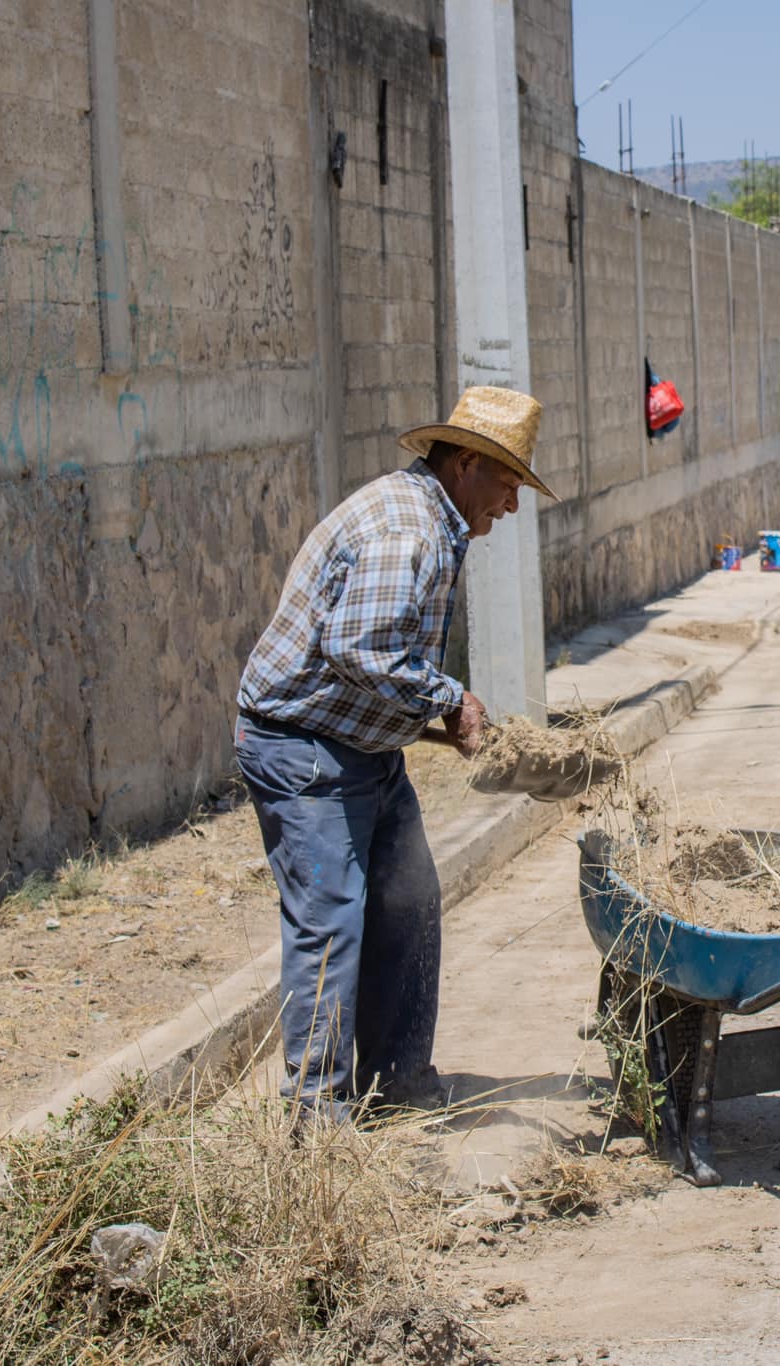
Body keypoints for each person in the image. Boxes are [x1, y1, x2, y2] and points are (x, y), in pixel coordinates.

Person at [236, 385, 553, 1126]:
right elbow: (359, 647)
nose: (510, 506)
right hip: (304, 751)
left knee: (409, 904)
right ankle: (315, 1117)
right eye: (507, 484)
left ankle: (395, 1083)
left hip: (362, 749)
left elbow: (374, 657)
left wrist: (430, 719)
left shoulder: (435, 522)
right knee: (331, 921)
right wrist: (449, 699)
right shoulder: (407, 529)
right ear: (467, 463)